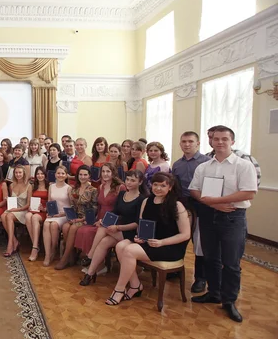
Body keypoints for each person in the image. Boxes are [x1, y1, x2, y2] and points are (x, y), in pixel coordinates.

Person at [189, 126, 257, 322]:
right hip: (209, 216)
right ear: (211, 141)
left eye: (224, 139)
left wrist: (215, 202)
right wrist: (212, 203)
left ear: (232, 141)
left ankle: (229, 301)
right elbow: (194, 190)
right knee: (211, 258)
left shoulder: (243, 166)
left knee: (231, 262)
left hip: (232, 217)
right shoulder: (204, 167)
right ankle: (214, 293)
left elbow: (249, 192)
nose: (219, 142)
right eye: (216, 139)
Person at [105, 172, 190, 306]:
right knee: (120, 246)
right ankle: (135, 285)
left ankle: (119, 289)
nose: (158, 188)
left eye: (163, 185)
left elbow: (185, 235)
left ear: (170, 187)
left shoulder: (177, 205)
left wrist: (162, 242)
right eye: (155, 184)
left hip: (169, 247)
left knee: (129, 251)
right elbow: (142, 225)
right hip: (150, 242)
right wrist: (140, 237)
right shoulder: (146, 201)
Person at [80, 169, 146, 286]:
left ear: (140, 182)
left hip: (130, 232)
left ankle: (90, 255)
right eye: (127, 179)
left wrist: (118, 227)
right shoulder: (122, 194)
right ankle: (90, 274)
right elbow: (115, 212)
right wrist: (103, 220)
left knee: (103, 228)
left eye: (133, 180)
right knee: (104, 241)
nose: (129, 182)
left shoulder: (142, 199)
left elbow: (138, 223)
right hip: (117, 230)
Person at [171, 131, 211, 293]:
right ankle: (174, 269)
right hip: (182, 205)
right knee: (178, 237)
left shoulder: (207, 162)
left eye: (190, 141)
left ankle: (201, 278)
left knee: (199, 242)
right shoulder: (177, 164)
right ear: (180, 144)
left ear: (198, 143)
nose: (187, 144)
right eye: (184, 141)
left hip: (200, 205)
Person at [56, 165, 98, 270]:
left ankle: (65, 258)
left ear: (89, 176)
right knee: (65, 227)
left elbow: (94, 209)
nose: (82, 177)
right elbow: (73, 206)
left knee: (74, 227)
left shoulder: (93, 190)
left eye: (85, 175)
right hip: (75, 216)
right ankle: (72, 255)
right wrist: (72, 216)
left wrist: (82, 219)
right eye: (80, 174)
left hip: (87, 218)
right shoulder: (74, 189)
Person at [42, 165, 72, 267]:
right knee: (46, 224)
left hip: (64, 214)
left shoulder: (69, 188)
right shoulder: (51, 186)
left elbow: (72, 206)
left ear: (66, 175)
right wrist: (47, 211)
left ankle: (53, 250)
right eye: (58, 173)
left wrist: (61, 214)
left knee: (54, 225)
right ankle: (47, 254)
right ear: (55, 174)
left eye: (63, 173)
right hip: (53, 213)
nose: (60, 175)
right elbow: (50, 202)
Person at [2, 166, 32, 257]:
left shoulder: (29, 186)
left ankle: (10, 244)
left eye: (20, 173)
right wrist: (8, 201)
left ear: (24, 174)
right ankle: (15, 241)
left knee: (9, 216)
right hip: (14, 209)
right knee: (3, 215)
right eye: (16, 173)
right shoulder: (11, 185)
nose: (18, 174)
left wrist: (16, 210)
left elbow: (28, 205)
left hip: (24, 210)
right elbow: (12, 201)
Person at [25, 166, 48, 261]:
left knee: (34, 218)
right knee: (27, 215)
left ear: (45, 175)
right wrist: (30, 206)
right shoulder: (33, 186)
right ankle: (36, 244)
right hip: (34, 209)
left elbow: (51, 202)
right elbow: (29, 200)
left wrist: (44, 209)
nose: (40, 176)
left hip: (43, 211)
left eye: (42, 174)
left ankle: (34, 248)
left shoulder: (49, 186)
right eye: (38, 174)